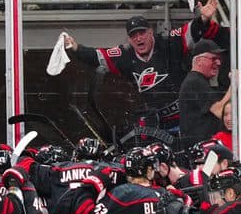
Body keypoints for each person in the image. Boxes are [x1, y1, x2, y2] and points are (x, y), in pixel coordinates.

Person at [61, 14, 194, 130]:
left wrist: (204, 18)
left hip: (185, 118)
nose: (138, 39)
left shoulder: (167, 43)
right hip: (157, 124)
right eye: (133, 35)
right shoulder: (125, 55)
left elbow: (190, 31)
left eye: (141, 33)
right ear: (129, 39)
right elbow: (97, 57)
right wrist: (76, 48)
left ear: (150, 32)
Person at [177, 40, 230, 147]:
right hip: (201, 150)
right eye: (213, 59)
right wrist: (234, 85)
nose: (218, 63)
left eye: (219, 59)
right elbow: (220, 111)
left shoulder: (198, 80)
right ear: (199, 61)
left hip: (202, 147)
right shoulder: (195, 81)